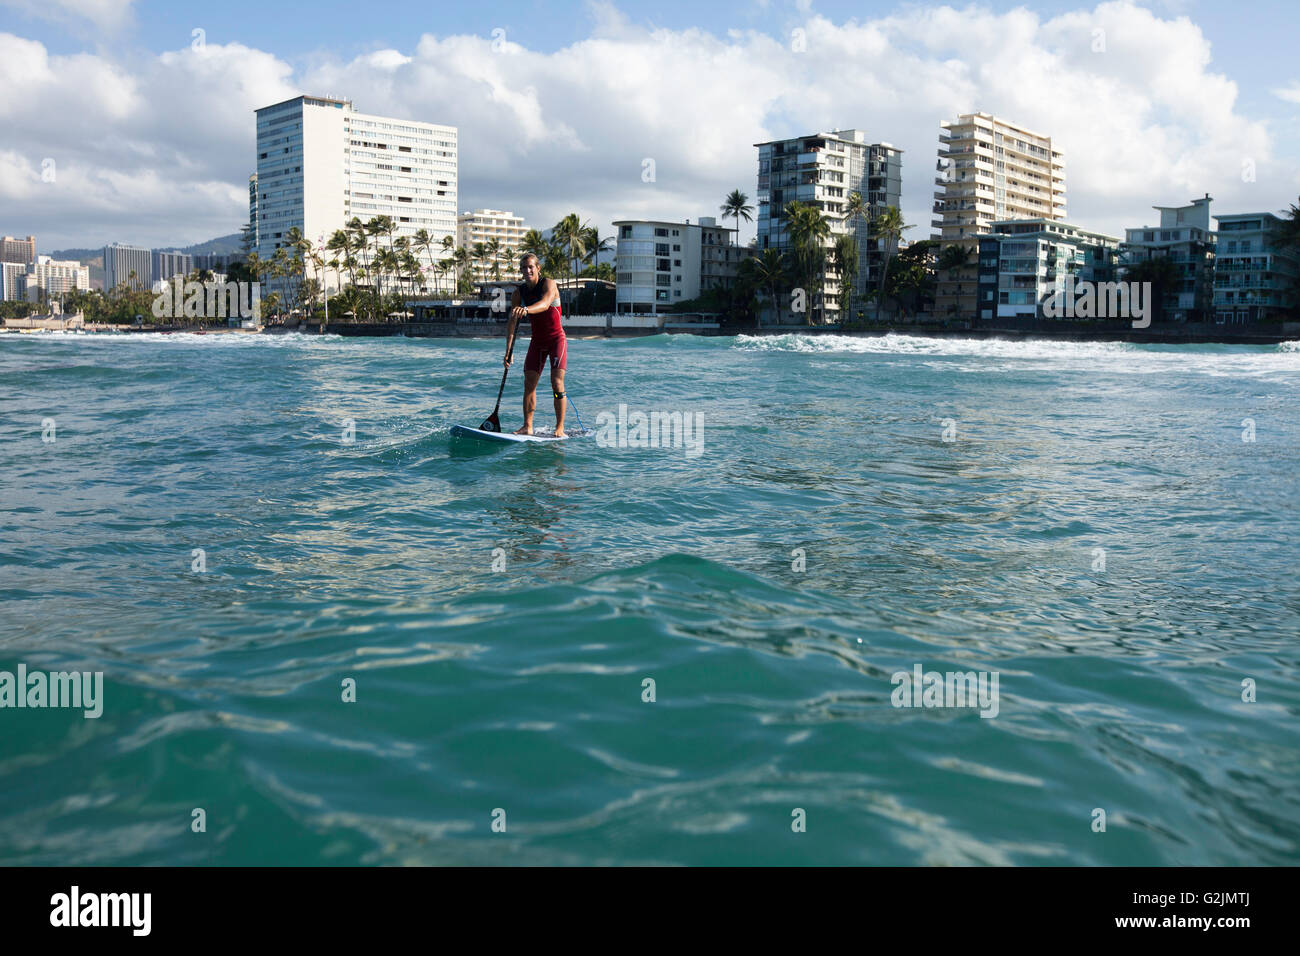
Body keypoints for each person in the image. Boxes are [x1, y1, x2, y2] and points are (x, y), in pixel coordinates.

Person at [504, 253, 567, 437]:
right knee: (529, 384)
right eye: (524, 267)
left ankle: (560, 427)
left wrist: (526, 309)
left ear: (538, 268)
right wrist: (508, 351)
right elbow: (512, 322)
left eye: (531, 266)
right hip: (537, 342)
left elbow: (545, 304)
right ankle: (527, 426)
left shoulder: (549, 284)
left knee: (557, 384)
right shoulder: (519, 293)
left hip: (556, 339)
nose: (527, 270)